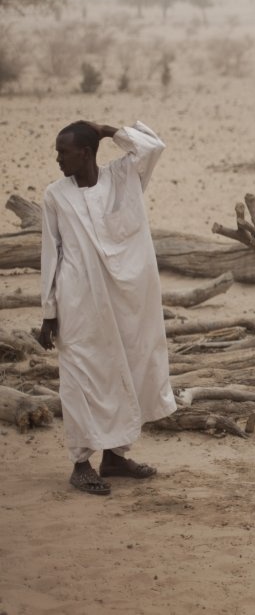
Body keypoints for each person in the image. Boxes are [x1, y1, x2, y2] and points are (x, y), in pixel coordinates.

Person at [38, 120, 177, 496]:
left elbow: (153, 146)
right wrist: (48, 313)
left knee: (127, 370)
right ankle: (81, 464)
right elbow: (52, 253)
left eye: (63, 151)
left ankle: (115, 457)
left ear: (85, 153)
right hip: (79, 303)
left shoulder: (123, 177)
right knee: (81, 378)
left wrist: (107, 130)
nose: (57, 158)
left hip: (128, 302)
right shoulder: (55, 195)